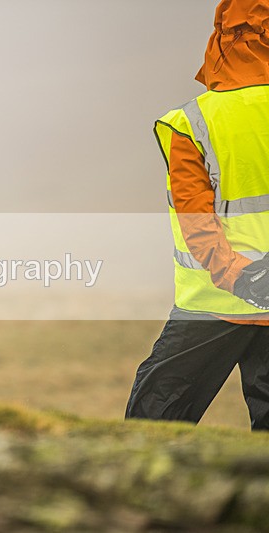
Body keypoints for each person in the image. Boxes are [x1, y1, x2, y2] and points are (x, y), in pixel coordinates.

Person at [125, 0, 269, 429]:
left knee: (152, 424)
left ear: (220, 37)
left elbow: (196, 218)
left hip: (215, 302)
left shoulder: (189, 122)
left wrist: (238, 275)